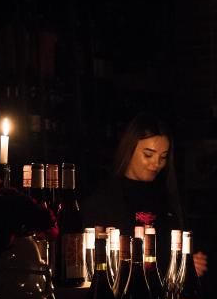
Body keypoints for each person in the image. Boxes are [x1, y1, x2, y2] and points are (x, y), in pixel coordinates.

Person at [81, 113, 207, 275]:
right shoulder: (103, 200)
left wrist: (188, 265)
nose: (156, 164)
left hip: (161, 296)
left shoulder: (167, 197)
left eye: (163, 157)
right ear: (130, 149)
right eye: (148, 154)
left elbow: (176, 252)